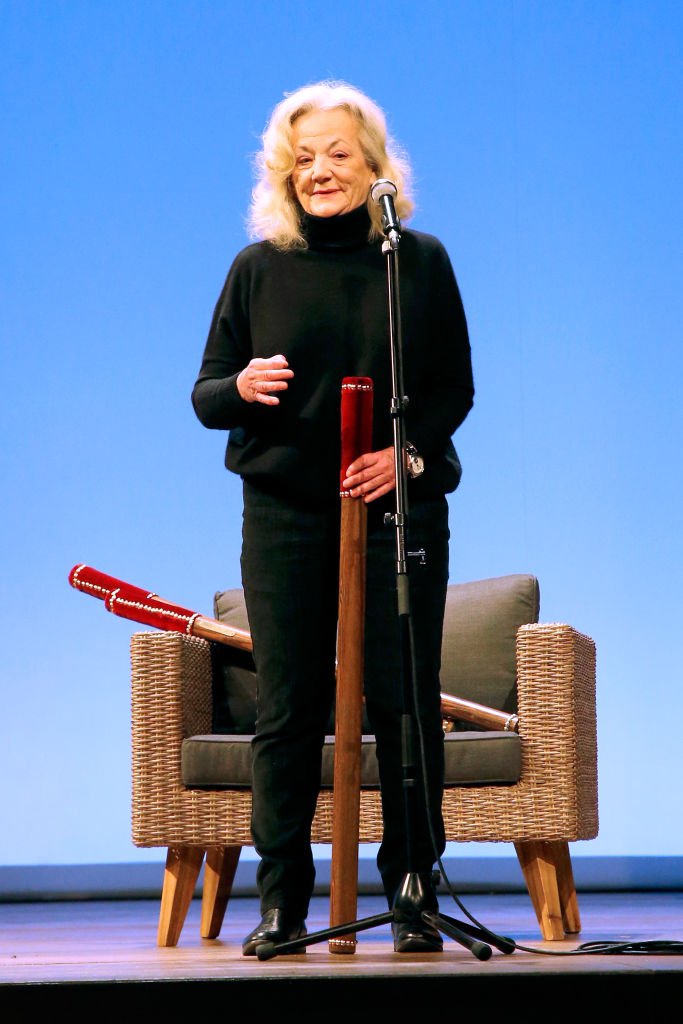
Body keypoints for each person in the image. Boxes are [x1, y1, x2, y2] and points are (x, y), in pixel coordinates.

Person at [191, 80, 474, 955]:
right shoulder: (256, 268)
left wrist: (408, 455)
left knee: (404, 709)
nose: (319, 171)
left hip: (399, 516)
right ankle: (282, 902)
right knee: (289, 707)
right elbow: (206, 393)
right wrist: (240, 388)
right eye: (302, 157)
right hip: (285, 515)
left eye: (337, 154)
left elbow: (452, 390)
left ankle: (413, 892)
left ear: (376, 167)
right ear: (282, 172)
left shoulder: (414, 261)